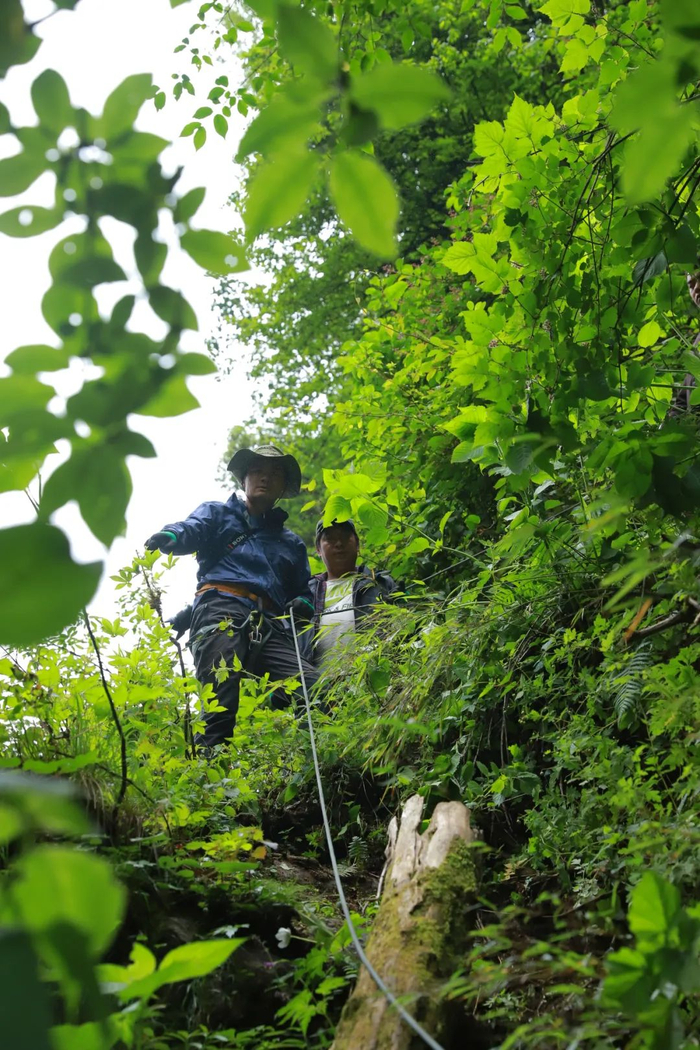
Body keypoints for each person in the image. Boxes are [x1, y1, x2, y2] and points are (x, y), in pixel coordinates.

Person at [145, 444, 318, 748]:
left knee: (311, 687)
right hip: (221, 608)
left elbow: (303, 591)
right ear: (244, 480)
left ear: (282, 487)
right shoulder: (217, 513)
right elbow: (192, 529)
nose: (265, 478)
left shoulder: (290, 543)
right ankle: (208, 786)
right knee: (220, 704)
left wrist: (302, 604)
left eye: (274, 474)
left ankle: (324, 764)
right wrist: (172, 535)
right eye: (257, 471)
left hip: (269, 625)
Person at [309, 518, 398, 664]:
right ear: (318, 549)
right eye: (330, 539)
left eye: (345, 537)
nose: (339, 544)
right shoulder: (307, 592)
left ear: (357, 545)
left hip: (373, 672)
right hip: (318, 682)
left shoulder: (379, 583)